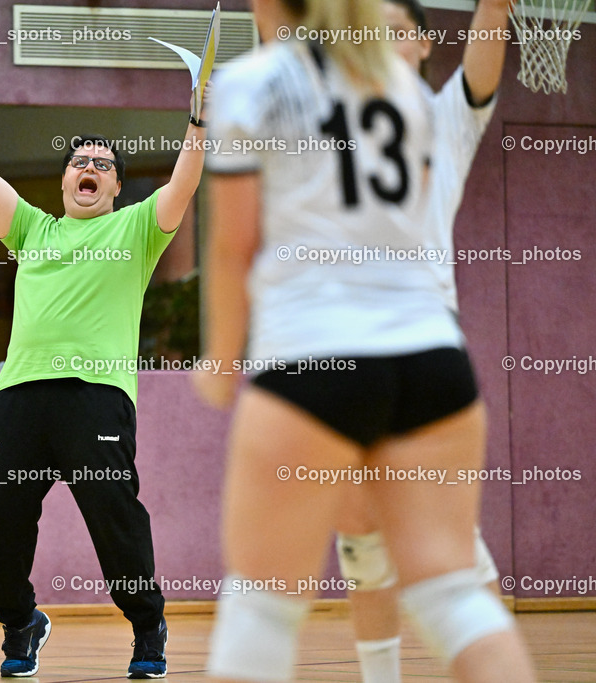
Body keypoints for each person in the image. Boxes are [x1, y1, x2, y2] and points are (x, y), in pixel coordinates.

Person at [193, 0, 536, 681]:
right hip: (433, 359)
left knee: (261, 610)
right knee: (453, 594)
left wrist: (221, 363)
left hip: (314, 357)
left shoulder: (251, 81)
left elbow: (233, 248)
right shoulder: (404, 89)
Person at [0, 62, 206, 678]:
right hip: (18, 396)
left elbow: (184, 183)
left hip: (96, 397)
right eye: (80, 161)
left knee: (113, 515)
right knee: (2, 518)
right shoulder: (31, 229)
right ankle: (21, 621)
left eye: (103, 165)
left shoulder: (136, 229)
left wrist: (198, 122)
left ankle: (147, 624)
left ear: (116, 187)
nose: (90, 168)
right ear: (64, 180)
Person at [335, 1, 512, 681]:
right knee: (362, 546)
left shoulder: (446, 117)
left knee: (452, 547)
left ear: (424, 43)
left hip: (420, 346)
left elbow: (484, 52)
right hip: (342, 354)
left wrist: (494, 6)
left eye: (395, 29)